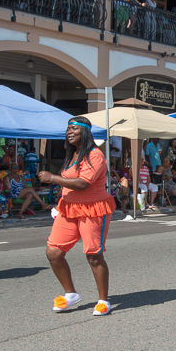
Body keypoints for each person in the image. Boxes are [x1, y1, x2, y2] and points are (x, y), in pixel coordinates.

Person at [39, 116, 117, 315]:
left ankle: (103, 300)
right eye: (68, 129)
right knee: (53, 253)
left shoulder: (95, 155)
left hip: (93, 209)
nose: (69, 132)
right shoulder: (72, 154)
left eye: (74, 129)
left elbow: (83, 183)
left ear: (85, 132)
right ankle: (70, 294)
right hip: (69, 209)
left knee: (93, 256)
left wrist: (52, 177)